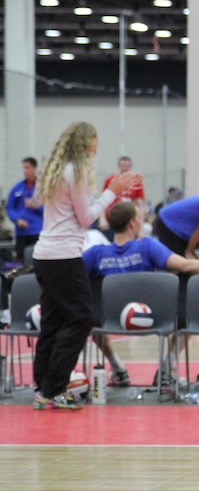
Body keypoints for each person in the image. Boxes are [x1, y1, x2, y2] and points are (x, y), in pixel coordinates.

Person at [84, 201, 199, 387]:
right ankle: (166, 369)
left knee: (92, 320)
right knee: (186, 317)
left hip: (111, 320)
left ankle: (118, 369)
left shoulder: (95, 254)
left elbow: (69, 275)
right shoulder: (147, 246)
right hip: (153, 317)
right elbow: (187, 265)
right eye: (140, 219)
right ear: (132, 223)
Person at [31, 122, 139, 410]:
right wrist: (112, 192)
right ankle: (54, 388)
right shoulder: (76, 171)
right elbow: (86, 218)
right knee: (81, 318)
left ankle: (42, 388)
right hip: (64, 256)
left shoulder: (56, 170)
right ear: (85, 143)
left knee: (53, 321)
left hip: (45, 255)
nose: (96, 147)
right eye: (94, 141)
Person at [6, 157, 44, 257]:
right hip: (22, 232)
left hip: (37, 230)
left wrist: (37, 206)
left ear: (34, 168)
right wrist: (17, 219)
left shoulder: (42, 187)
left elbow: (49, 209)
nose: (25, 171)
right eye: (24, 168)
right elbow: (9, 207)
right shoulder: (17, 188)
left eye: (27, 168)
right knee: (21, 260)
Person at [102, 155, 146, 225]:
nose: (125, 169)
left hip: (128, 217)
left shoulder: (136, 182)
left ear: (130, 167)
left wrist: (140, 222)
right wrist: (103, 219)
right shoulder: (110, 180)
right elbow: (103, 200)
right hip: (112, 217)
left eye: (127, 166)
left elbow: (140, 203)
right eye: (123, 166)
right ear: (119, 166)